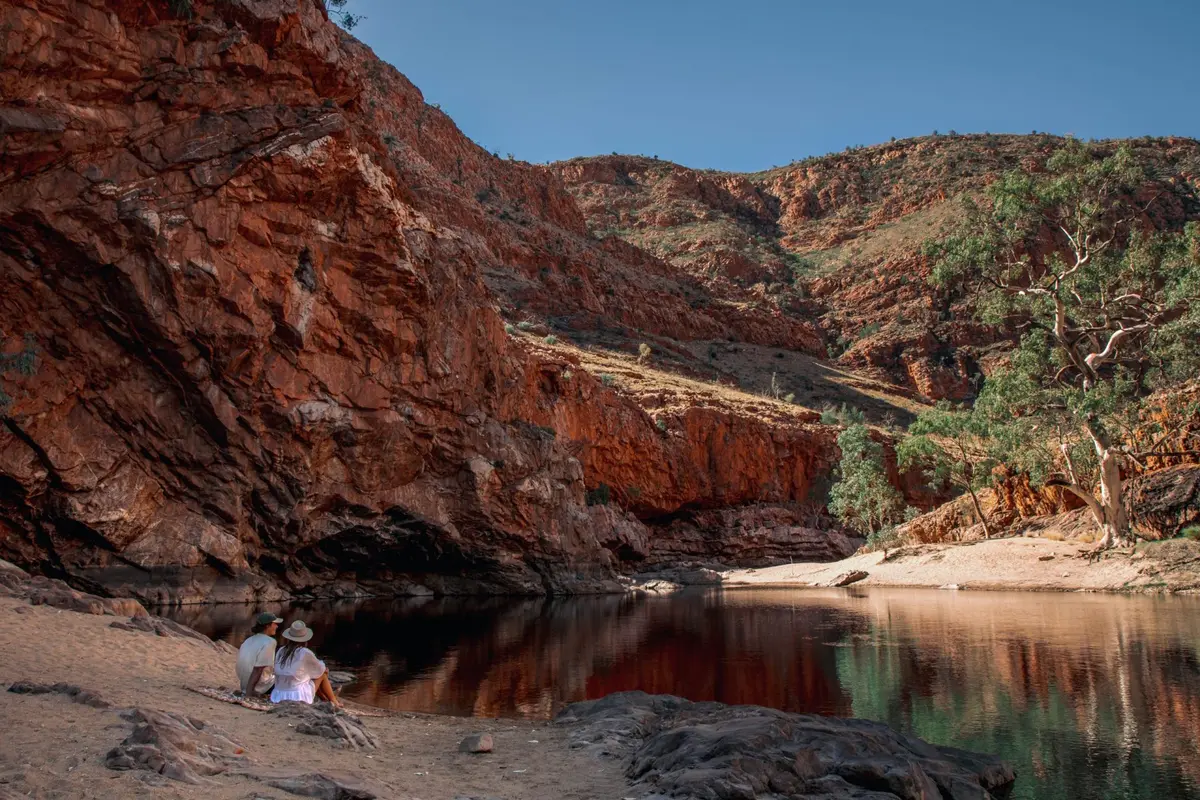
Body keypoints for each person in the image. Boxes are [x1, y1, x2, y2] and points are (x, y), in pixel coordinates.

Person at [270, 620, 340, 706]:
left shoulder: (281, 650)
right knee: (322, 674)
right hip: (297, 696)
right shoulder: (304, 652)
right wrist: (324, 669)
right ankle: (334, 701)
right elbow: (320, 668)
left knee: (309, 676)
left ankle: (325, 700)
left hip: (278, 695)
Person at [235, 612, 282, 697]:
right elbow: (258, 669)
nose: (277, 626)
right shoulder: (270, 642)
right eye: (275, 624)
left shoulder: (248, 640)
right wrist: (249, 693)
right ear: (267, 626)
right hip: (257, 686)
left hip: (244, 683)